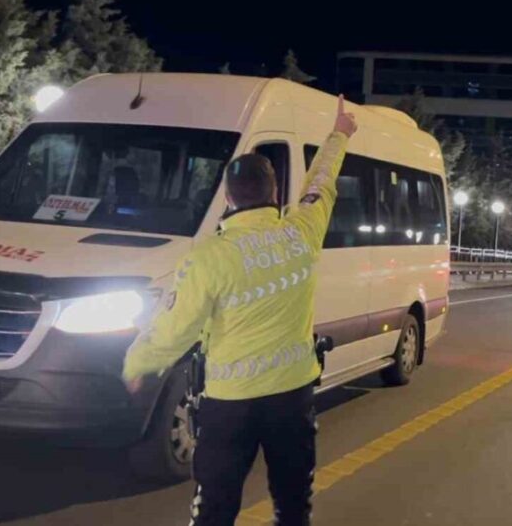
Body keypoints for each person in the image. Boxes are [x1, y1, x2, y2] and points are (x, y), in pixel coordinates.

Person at [122, 95, 358, 526]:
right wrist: (340, 131)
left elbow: (175, 329)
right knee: (292, 505)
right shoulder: (301, 233)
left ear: (228, 198)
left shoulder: (209, 257)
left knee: (215, 507)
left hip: (230, 406)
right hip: (293, 397)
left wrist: (138, 362)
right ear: (274, 193)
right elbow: (320, 184)